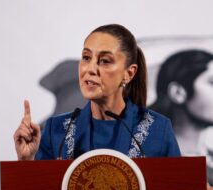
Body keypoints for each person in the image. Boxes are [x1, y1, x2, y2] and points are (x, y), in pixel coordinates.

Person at [13, 24, 181, 161]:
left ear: (128, 73)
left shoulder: (159, 128)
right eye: (86, 58)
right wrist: (27, 160)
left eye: (104, 61)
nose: (90, 69)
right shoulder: (55, 129)